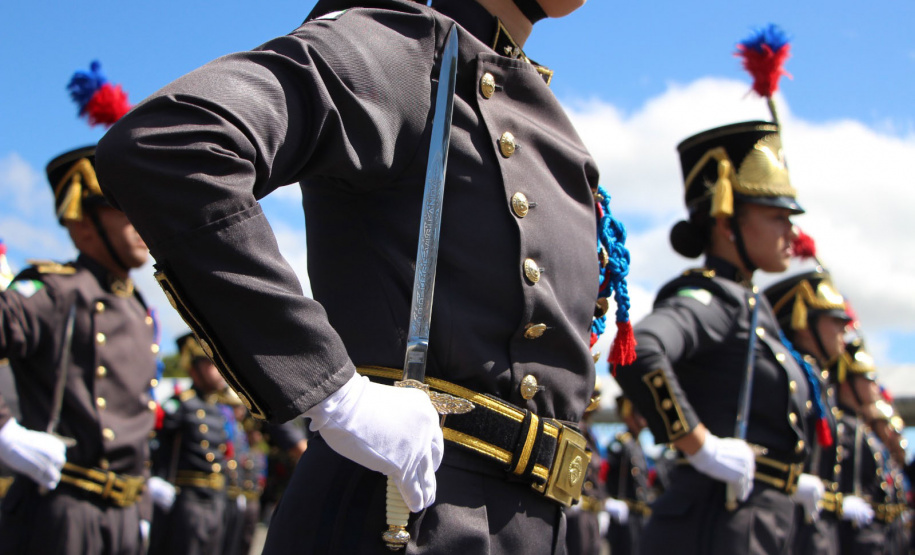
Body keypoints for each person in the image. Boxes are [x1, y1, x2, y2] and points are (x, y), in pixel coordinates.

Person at [95, 0, 634, 553]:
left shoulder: (552, 120)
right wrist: (334, 393)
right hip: (403, 516)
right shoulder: (406, 51)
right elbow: (175, 141)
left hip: (537, 528)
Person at [613, 120, 820, 555]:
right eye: (777, 217)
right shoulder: (714, 298)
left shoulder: (751, 305)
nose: (792, 233)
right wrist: (700, 444)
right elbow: (640, 349)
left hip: (759, 522)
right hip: (716, 523)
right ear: (728, 225)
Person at [0, 145, 161, 554]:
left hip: (123, 519)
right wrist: (4, 432)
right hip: (60, 514)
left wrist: (139, 510)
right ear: (82, 225)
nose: (143, 222)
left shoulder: (140, 307)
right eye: (126, 211)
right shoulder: (55, 290)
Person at [763, 266, 870, 554]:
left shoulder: (818, 380)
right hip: (790, 526)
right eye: (834, 321)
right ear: (804, 322)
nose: (843, 331)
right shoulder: (793, 373)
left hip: (818, 528)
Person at [146, 333, 233, 555]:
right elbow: (157, 445)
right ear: (194, 369)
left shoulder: (219, 410)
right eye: (211, 364)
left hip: (216, 500)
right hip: (187, 501)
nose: (219, 371)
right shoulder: (180, 405)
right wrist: (154, 479)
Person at [603, 394, 653, 555]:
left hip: (639, 518)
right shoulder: (621, 444)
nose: (643, 417)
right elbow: (607, 477)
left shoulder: (637, 444)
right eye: (638, 412)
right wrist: (609, 501)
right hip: (624, 519)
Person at [564, 380, 606, 555]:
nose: (596, 402)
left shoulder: (590, 433)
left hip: (590, 513)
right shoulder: (573, 428)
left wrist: (604, 502)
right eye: (593, 395)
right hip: (574, 512)